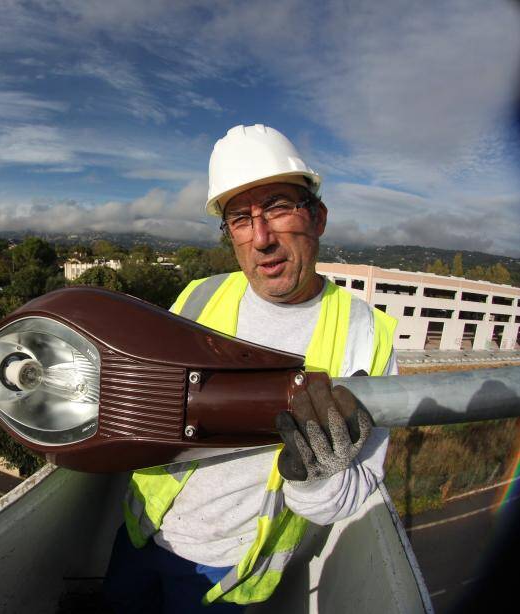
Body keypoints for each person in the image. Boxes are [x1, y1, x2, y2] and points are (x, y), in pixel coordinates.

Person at [104, 124, 397, 612]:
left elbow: (349, 496)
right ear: (230, 235)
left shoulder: (367, 335)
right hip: (140, 537)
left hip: (230, 575)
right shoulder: (198, 296)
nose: (261, 238)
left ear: (318, 217)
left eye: (279, 207)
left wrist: (316, 476)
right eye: (241, 218)